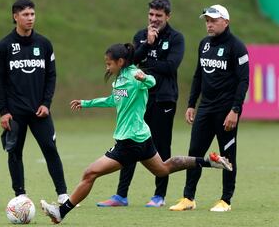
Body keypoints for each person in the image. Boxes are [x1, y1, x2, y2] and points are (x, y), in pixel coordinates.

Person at [40, 43, 232, 224]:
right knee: (163, 169)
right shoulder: (120, 79)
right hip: (142, 138)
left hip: (129, 142)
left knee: (90, 173)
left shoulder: (134, 75)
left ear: (120, 62)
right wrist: (86, 102)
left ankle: (61, 212)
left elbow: (152, 81)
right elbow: (113, 100)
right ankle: (209, 161)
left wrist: (144, 78)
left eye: (109, 63)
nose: (106, 67)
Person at [97, 0, 184, 208]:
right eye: (151, 15)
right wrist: (147, 44)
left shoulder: (176, 38)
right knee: (129, 143)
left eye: (159, 16)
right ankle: (121, 196)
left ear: (167, 16)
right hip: (138, 100)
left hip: (164, 98)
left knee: (162, 145)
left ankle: (159, 196)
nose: (154, 19)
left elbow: (170, 67)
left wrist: (147, 68)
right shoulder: (140, 36)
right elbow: (130, 62)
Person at [169, 4, 249, 212]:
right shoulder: (204, 44)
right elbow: (198, 76)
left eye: (213, 20)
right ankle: (188, 198)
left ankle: (226, 200)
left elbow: (243, 81)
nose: (209, 25)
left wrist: (235, 110)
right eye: (207, 21)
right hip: (205, 109)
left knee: (227, 156)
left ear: (226, 22)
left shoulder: (237, 47)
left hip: (226, 111)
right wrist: (190, 104)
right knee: (195, 152)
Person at [0, 0, 69, 204]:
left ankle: (63, 195)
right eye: (25, 14)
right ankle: (20, 196)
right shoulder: (4, 46)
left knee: (50, 149)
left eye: (32, 14)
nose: (30, 18)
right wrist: (3, 111)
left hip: (40, 111)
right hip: (15, 113)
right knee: (15, 153)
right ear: (15, 16)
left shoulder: (44, 44)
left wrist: (46, 103)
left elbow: (51, 76)